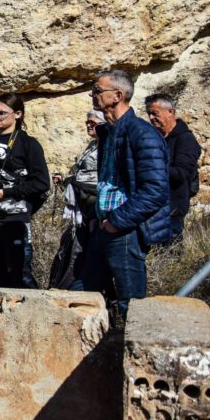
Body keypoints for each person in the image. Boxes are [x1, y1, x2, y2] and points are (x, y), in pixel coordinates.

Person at [84, 70, 171, 316]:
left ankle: (127, 352)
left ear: (117, 96)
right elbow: (108, 181)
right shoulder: (109, 132)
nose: (93, 94)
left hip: (125, 230)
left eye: (98, 90)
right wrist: (95, 216)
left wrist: (116, 220)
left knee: (130, 305)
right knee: (86, 295)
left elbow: (155, 190)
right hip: (104, 226)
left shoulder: (142, 134)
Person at [0, 93, 50, 289]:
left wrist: (7, 192)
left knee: (21, 274)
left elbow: (41, 183)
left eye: (2, 113)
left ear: (18, 114)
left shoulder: (28, 144)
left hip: (15, 219)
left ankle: (30, 316)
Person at [56, 110, 105, 291]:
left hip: (95, 209)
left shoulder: (107, 147)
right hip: (82, 209)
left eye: (93, 122)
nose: (88, 125)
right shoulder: (92, 145)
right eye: (87, 122)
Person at [144, 93, 201, 244]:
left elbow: (180, 174)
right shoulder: (155, 138)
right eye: (149, 113)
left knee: (170, 252)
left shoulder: (186, 141)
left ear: (170, 111)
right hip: (151, 206)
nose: (151, 118)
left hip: (172, 208)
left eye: (155, 113)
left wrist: (149, 166)